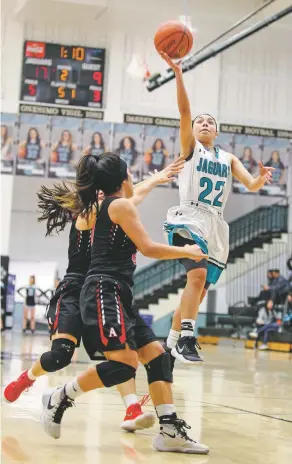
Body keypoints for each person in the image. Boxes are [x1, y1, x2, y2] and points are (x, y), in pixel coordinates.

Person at [40, 152, 209, 454]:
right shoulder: (117, 205)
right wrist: (191, 251)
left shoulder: (116, 205)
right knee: (124, 365)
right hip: (104, 290)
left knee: (156, 356)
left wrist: (157, 178)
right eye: (132, 174)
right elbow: (148, 248)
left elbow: (139, 193)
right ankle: (60, 396)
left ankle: (170, 431)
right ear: (123, 179)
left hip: (119, 291)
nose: (135, 179)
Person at [159, 51, 275, 364]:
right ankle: (186, 337)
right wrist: (179, 75)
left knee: (196, 289)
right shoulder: (190, 149)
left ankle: (170, 345)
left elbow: (250, 185)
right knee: (195, 276)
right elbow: (184, 112)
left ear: (217, 131)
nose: (204, 123)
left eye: (210, 121)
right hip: (190, 217)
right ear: (193, 129)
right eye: (200, 121)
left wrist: (262, 179)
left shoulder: (228, 158)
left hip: (216, 224)